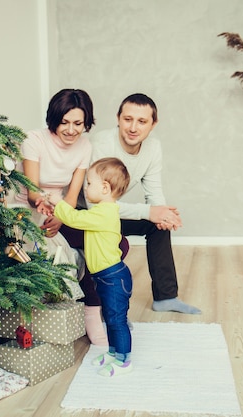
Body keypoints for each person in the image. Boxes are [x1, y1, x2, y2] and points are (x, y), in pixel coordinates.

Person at [84, 93, 200, 314]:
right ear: (118, 118)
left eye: (142, 121)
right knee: (147, 217)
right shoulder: (102, 144)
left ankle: (166, 297)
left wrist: (164, 214)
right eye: (128, 119)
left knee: (158, 225)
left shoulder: (153, 148)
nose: (133, 127)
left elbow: (154, 192)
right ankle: (108, 307)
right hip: (87, 216)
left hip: (111, 213)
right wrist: (149, 211)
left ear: (153, 124)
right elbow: (95, 207)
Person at [13, 88, 111, 344]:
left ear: (86, 122)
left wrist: (61, 216)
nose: (71, 130)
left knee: (114, 242)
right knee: (46, 252)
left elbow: (71, 195)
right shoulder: (33, 140)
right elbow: (32, 190)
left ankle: (94, 311)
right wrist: (45, 208)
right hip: (27, 209)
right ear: (54, 120)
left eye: (78, 123)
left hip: (60, 209)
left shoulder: (84, 146)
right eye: (64, 122)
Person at [38, 157, 133, 377]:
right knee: (109, 318)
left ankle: (125, 360)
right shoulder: (101, 211)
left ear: (105, 188)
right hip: (105, 277)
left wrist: (57, 200)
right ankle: (114, 352)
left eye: (89, 184)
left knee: (116, 320)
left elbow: (74, 218)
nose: (86, 188)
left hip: (113, 276)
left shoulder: (104, 213)